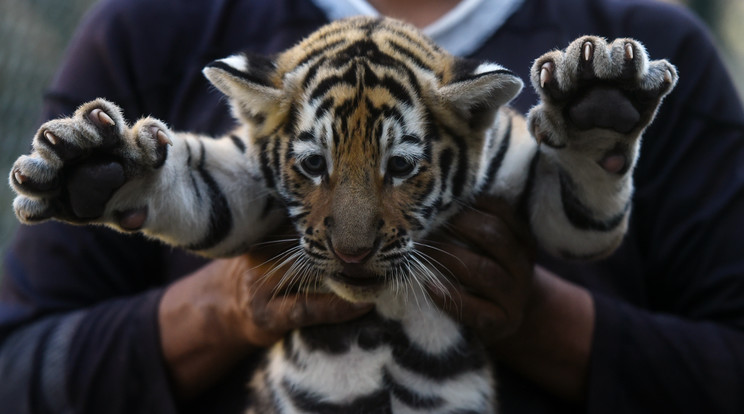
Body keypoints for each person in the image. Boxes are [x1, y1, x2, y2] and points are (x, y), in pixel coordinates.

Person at [1, 0, 743, 413]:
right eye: (313, 168)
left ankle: (594, 153)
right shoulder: (151, 30)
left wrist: (535, 317)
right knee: (199, 178)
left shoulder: (645, 46)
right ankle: (138, 179)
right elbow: (18, 374)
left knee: (571, 188)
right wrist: (230, 304)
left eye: (402, 169)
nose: (352, 239)